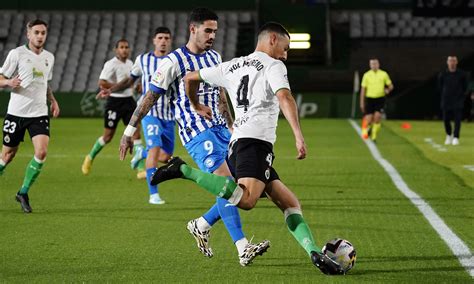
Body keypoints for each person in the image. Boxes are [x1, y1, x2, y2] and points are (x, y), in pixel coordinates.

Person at [148, 22, 344, 275]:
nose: (286, 55)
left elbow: (190, 77)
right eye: (285, 48)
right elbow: (285, 97)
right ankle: (183, 170)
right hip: (254, 144)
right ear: (272, 39)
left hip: (241, 143)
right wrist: (298, 136)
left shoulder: (233, 65)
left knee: (290, 203)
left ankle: (314, 252)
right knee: (248, 200)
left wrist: (195, 103)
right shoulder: (274, 65)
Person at [118, 8, 269, 266]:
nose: (212, 36)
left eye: (215, 31)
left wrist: (232, 125)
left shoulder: (215, 56)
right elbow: (149, 98)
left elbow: (221, 93)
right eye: (208, 30)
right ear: (193, 29)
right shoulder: (173, 62)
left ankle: (201, 224)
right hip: (196, 132)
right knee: (227, 183)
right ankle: (242, 247)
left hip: (222, 129)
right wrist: (129, 132)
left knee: (236, 189)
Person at [98, 27, 175, 204]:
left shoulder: (175, 60)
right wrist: (111, 89)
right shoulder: (143, 60)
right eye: (160, 38)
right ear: (154, 40)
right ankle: (153, 194)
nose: (163, 41)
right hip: (150, 112)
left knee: (165, 157)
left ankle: (141, 152)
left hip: (169, 115)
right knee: (155, 150)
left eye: (166, 38)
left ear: (169, 41)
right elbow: (129, 81)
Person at [0, 19, 60, 213]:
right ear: (28, 34)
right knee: (7, 155)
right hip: (16, 113)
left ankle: (23, 192)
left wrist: (53, 100)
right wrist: (9, 82)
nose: (40, 36)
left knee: (41, 152)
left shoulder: (49, 57)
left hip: (39, 113)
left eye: (43, 32)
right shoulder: (16, 54)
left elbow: (46, 83)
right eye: (36, 32)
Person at [82, 39, 145, 177]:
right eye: (121, 47)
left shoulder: (131, 63)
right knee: (108, 136)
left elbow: (133, 82)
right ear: (116, 50)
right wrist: (119, 85)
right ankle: (90, 157)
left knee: (136, 134)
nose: (124, 50)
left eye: (126, 47)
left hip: (129, 101)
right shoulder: (110, 64)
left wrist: (136, 87)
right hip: (114, 102)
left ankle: (141, 169)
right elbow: (102, 82)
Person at [437, 56, 469, 145]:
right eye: (450, 61)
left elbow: (465, 87)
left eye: (454, 61)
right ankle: (448, 134)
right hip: (446, 100)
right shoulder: (443, 74)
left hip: (458, 100)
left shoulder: (462, 74)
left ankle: (455, 137)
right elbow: (440, 87)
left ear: (457, 62)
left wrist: (461, 96)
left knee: (457, 119)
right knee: (446, 119)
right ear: (447, 62)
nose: (452, 62)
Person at [359, 58, 393, 142]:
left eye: (375, 64)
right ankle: (369, 128)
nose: (374, 65)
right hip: (370, 98)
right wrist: (361, 103)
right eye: (372, 64)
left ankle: (374, 135)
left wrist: (387, 90)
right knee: (369, 118)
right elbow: (363, 90)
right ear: (370, 65)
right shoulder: (366, 75)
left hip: (380, 98)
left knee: (377, 117)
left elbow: (391, 86)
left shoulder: (383, 74)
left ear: (378, 64)